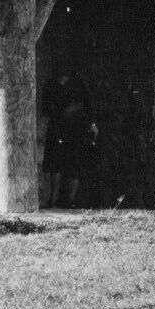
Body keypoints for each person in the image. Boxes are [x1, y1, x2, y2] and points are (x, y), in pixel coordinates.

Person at [42, 71, 97, 207]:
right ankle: (54, 200)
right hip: (57, 127)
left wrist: (90, 122)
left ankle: (70, 201)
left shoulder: (79, 84)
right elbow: (46, 108)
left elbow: (87, 105)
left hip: (75, 128)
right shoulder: (51, 84)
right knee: (56, 164)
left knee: (74, 164)